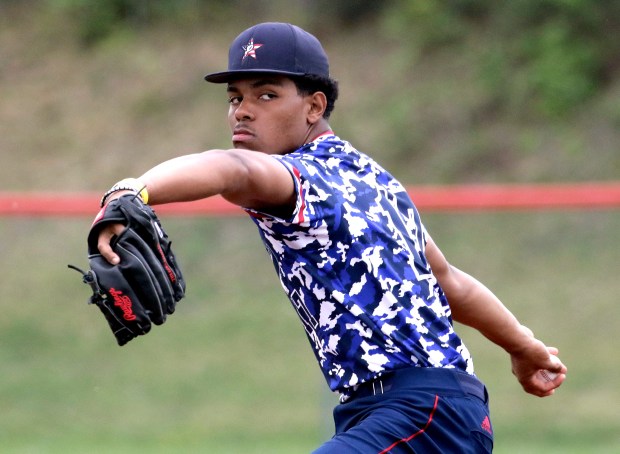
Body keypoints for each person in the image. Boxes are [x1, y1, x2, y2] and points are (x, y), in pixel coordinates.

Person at [96, 22, 567, 453]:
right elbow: (447, 282)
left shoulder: (300, 179)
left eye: (266, 95)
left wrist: (132, 190)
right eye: (235, 97)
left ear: (314, 105)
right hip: (425, 413)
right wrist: (523, 347)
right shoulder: (374, 179)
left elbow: (230, 168)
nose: (242, 111)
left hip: (419, 413)